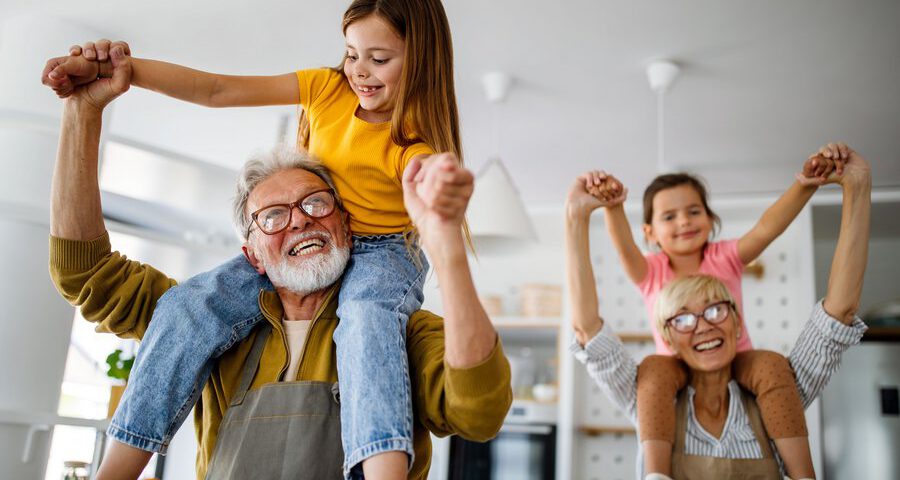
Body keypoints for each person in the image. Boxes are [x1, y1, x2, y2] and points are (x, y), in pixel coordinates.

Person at [42, 1, 467, 478]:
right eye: (351, 54)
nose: (359, 72)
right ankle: (116, 468)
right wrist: (124, 72)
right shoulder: (327, 89)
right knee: (187, 305)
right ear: (252, 251)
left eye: (379, 58)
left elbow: (478, 405)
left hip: (384, 253)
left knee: (368, 321)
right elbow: (216, 89)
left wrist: (442, 202)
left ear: (421, 58)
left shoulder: (413, 146)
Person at [566, 146, 871, 479]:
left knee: (770, 365)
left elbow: (768, 228)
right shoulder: (651, 277)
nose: (683, 221)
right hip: (671, 367)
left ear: (737, 318)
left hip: (742, 359)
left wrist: (806, 185)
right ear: (650, 233)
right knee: (655, 369)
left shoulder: (725, 259)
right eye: (682, 318)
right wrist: (609, 208)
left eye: (715, 311)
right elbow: (590, 324)